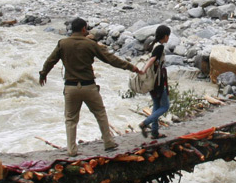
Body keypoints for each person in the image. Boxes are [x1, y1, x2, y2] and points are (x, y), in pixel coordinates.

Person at [40, 17, 142, 155]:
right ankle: (108, 142)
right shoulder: (90, 44)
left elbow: (50, 61)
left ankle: (72, 150)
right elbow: (110, 59)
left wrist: (43, 74)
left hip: (70, 87)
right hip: (89, 86)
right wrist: (131, 67)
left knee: (71, 119)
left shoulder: (63, 43)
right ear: (83, 29)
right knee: (100, 113)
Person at [139, 25, 171, 139]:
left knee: (156, 105)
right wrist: (144, 69)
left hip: (152, 81)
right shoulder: (160, 47)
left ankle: (155, 132)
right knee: (165, 106)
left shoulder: (153, 44)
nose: (169, 38)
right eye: (168, 36)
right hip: (158, 81)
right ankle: (145, 123)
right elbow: (152, 59)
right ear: (165, 36)